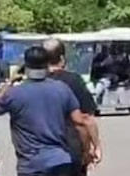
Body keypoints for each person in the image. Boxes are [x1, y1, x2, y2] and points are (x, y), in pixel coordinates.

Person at [0, 46, 93, 176]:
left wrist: (10, 81)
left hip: (32, 166)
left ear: (26, 66)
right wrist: (86, 151)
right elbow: (80, 123)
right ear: (47, 64)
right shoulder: (62, 89)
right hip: (60, 162)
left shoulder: (14, 94)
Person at [43, 38, 102, 175]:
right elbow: (86, 118)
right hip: (70, 150)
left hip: (40, 154)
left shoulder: (33, 84)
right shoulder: (73, 81)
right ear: (62, 59)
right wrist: (94, 146)